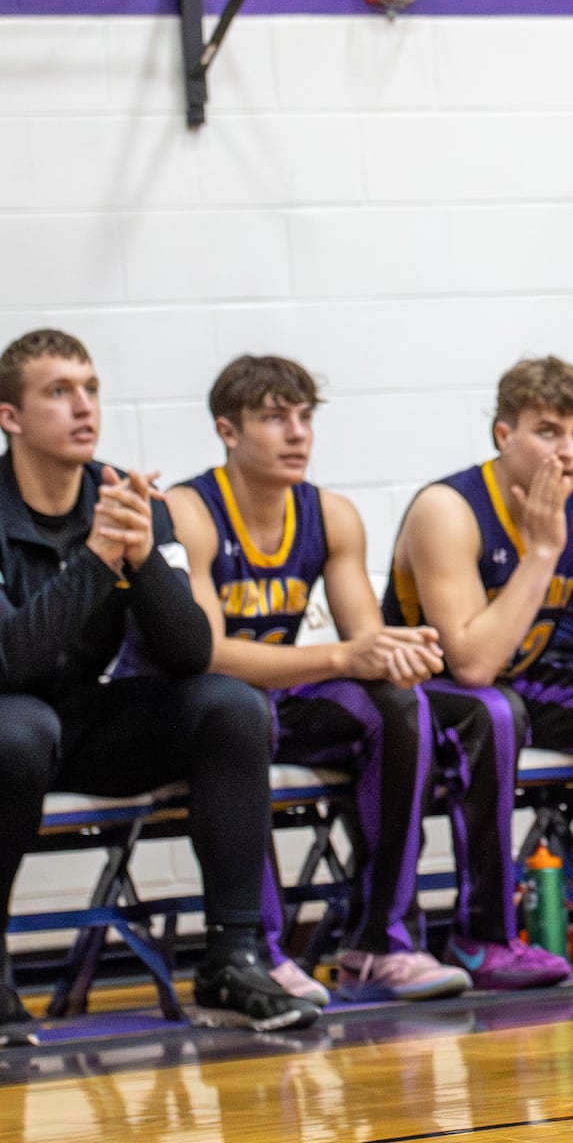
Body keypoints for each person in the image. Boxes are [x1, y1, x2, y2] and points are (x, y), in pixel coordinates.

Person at [0, 330, 316, 1040]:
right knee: (19, 730)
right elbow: (10, 660)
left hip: (83, 721)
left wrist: (142, 558)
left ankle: (233, 958)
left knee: (230, 705)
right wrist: (96, 559)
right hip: (9, 724)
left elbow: (190, 652)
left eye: (90, 388)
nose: (84, 407)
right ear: (9, 417)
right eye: (58, 392)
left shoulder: (131, 499)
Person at [164, 355, 469, 1005]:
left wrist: (403, 652)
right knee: (242, 708)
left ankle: (382, 942)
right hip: (197, 709)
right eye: (275, 419)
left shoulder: (331, 514)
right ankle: (263, 952)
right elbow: (209, 654)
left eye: (304, 418)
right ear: (228, 430)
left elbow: (366, 646)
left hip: (277, 695)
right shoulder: (189, 511)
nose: (297, 433)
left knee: (397, 706)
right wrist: (346, 657)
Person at [383, 357, 573, 980]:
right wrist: (543, 551)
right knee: (493, 710)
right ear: (503, 436)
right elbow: (472, 663)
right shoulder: (448, 508)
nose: (566, 452)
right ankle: (480, 934)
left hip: (526, 682)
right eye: (547, 431)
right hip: (424, 692)